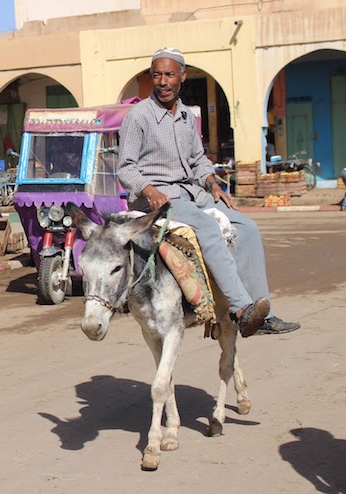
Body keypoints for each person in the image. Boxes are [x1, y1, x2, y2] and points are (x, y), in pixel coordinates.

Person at [117, 47, 299, 336]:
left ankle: (265, 316)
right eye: (157, 75)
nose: (163, 81)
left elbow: (198, 161)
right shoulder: (138, 116)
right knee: (206, 227)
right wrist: (148, 189)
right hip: (159, 198)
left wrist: (213, 183)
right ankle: (241, 310)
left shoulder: (187, 117)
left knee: (247, 227)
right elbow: (125, 167)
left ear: (183, 76)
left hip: (190, 192)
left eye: (169, 74)